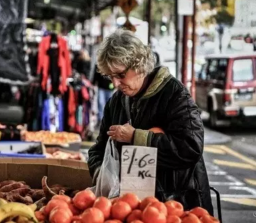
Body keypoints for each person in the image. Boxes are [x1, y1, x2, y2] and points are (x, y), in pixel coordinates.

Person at [88, 29, 213, 214]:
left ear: (139, 65)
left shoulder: (175, 95)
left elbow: (191, 146)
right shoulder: (115, 102)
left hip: (179, 205)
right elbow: (98, 150)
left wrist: (136, 137)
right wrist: (103, 175)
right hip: (132, 207)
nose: (115, 83)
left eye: (120, 75)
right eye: (110, 76)